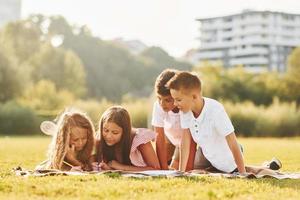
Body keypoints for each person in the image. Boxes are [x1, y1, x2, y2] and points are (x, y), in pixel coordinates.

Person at [166, 71, 281, 174]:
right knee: (196, 172)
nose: (175, 104)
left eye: (178, 99)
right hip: (208, 154)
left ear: (194, 97)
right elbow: (185, 142)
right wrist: (181, 171)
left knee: (238, 170)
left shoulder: (215, 110)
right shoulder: (185, 111)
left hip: (227, 154)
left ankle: (267, 167)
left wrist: (242, 174)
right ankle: (266, 165)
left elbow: (232, 142)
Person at [152, 69, 195, 170]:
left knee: (180, 167)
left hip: (186, 141)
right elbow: (159, 139)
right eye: (159, 98)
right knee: (156, 164)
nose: (162, 104)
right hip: (170, 139)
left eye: (167, 100)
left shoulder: (186, 107)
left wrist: (187, 170)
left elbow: (191, 141)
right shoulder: (158, 106)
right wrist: (163, 170)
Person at [95, 106, 160, 171]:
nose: (109, 136)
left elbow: (156, 169)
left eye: (115, 132)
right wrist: (108, 168)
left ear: (125, 132)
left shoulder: (140, 139)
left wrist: (122, 167)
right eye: (106, 130)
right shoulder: (99, 139)